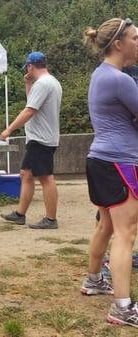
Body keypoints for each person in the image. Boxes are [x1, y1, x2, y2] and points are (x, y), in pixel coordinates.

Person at [79, 18, 138, 327]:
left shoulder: (100, 75)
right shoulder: (120, 80)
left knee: (106, 225)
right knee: (126, 234)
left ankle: (94, 280)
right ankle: (123, 307)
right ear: (119, 44)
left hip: (100, 159)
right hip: (120, 162)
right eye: (136, 38)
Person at [0, 51, 62, 230]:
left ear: (30, 66)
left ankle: (51, 219)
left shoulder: (42, 84)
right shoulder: (51, 82)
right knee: (26, 174)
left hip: (41, 139)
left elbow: (29, 110)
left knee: (46, 177)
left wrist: (9, 129)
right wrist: (28, 84)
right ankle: (20, 214)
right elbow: (33, 102)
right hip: (43, 137)